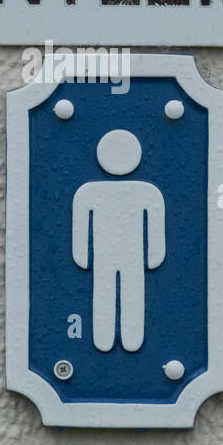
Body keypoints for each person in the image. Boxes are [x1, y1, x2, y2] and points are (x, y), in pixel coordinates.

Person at [71, 129, 165, 352]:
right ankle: (104, 340)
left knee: (128, 292)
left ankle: (131, 340)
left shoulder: (146, 192)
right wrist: (82, 257)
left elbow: (155, 227)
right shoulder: (89, 193)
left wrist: (155, 257)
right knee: (109, 292)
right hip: (111, 256)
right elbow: (81, 227)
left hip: (126, 257)